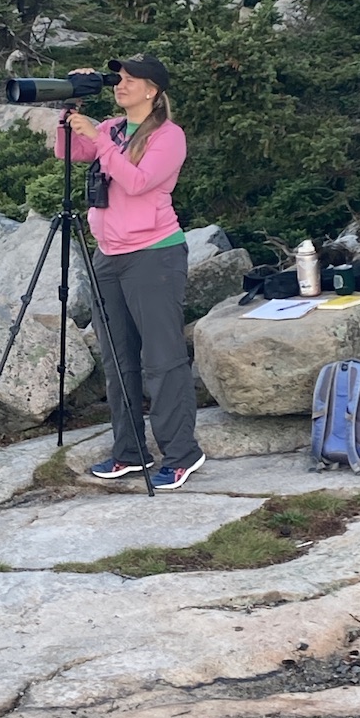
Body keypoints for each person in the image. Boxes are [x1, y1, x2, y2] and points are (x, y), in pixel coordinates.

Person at [55, 53, 205, 490]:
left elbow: (138, 181)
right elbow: (68, 151)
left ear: (152, 90)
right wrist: (69, 110)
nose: (120, 83)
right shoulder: (112, 128)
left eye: (130, 79)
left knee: (162, 359)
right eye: (118, 77)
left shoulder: (168, 136)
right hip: (109, 256)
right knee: (118, 360)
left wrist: (100, 142)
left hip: (154, 255)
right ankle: (129, 451)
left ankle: (181, 454)